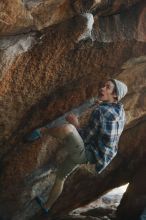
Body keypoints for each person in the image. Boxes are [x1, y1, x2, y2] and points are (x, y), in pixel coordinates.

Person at [35, 78, 128, 215]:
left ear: (115, 95)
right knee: (61, 177)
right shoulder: (120, 110)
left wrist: (76, 123)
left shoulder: (101, 112)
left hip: (87, 152)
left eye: (107, 87)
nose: (102, 89)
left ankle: (41, 131)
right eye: (103, 85)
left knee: (68, 128)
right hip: (98, 155)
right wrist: (100, 104)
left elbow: (85, 137)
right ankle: (47, 208)